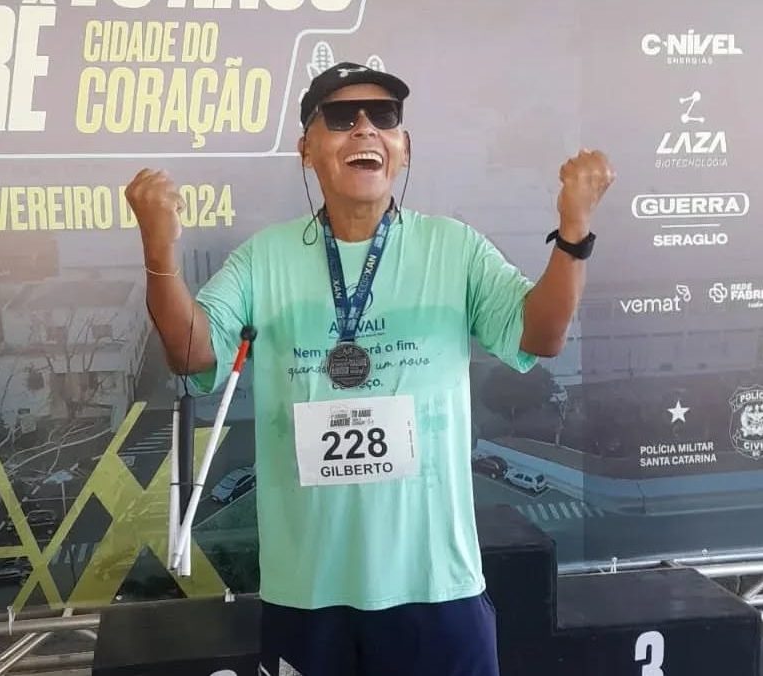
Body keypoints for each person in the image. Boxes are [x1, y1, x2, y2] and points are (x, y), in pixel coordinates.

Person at [125, 62, 614, 676]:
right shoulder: (264, 258)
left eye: (383, 117)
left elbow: (540, 335)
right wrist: (159, 253)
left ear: (404, 147)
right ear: (306, 150)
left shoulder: (453, 247)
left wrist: (573, 234)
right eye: (340, 117)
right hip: (307, 591)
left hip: (436, 585)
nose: (364, 129)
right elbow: (192, 353)